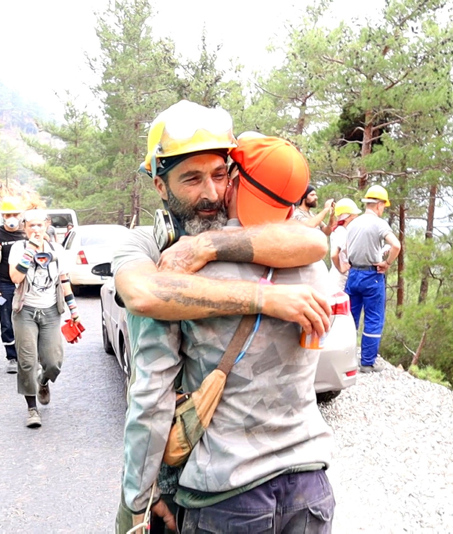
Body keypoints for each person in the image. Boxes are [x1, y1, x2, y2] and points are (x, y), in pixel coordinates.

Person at [113, 101, 333, 532]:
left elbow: (151, 394)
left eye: (218, 174)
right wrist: (263, 297)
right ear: (160, 184)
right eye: (192, 179)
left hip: (226, 496)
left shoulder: (184, 263)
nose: (210, 194)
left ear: (234, 173)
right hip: (311, 489)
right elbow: (143, 293)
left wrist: (134, 507)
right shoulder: (155, 255)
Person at [8, 209, 82, 428]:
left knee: (53, 362)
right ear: (24, 228)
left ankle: (43, 381)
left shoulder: (56, 250)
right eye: (31, 226)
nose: (36, 230)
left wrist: (74, 310)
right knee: (27, 361)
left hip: (50, 311)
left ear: (46, 225)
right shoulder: (17, 249)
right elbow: (15, 277)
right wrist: (30, 250)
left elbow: (64, 281)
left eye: (40, 225)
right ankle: (32, 409)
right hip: (25, 311)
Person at [344, 185, 401, 373]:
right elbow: (396, 245)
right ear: (378, 205)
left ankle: (346, 358)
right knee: (373, 318)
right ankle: (367, 362)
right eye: (383, 205)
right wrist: (387, 263)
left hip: (353, 275)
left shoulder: (352, 224)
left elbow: (345, 250)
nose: (383, 209)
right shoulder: (379, 224)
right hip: (371, 276)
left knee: (349, 319)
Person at [0, 197, 26, 374]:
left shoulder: (27, 233)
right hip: (4, 285)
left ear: (20, 215)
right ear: (3, 216)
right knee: (6, 321)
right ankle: (12, 357)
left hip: (26, 284)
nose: (12, 217)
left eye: (15, 214)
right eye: (8, 214)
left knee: (29, 320)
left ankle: (29, 355)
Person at [329, 198, 362, 292]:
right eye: (354, 216)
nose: (356, 218)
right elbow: (334, 255)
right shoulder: (342, 232)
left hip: (336, 277)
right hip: (340, 279)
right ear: (346, 217)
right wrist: (341, 267)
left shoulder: (338, 230)